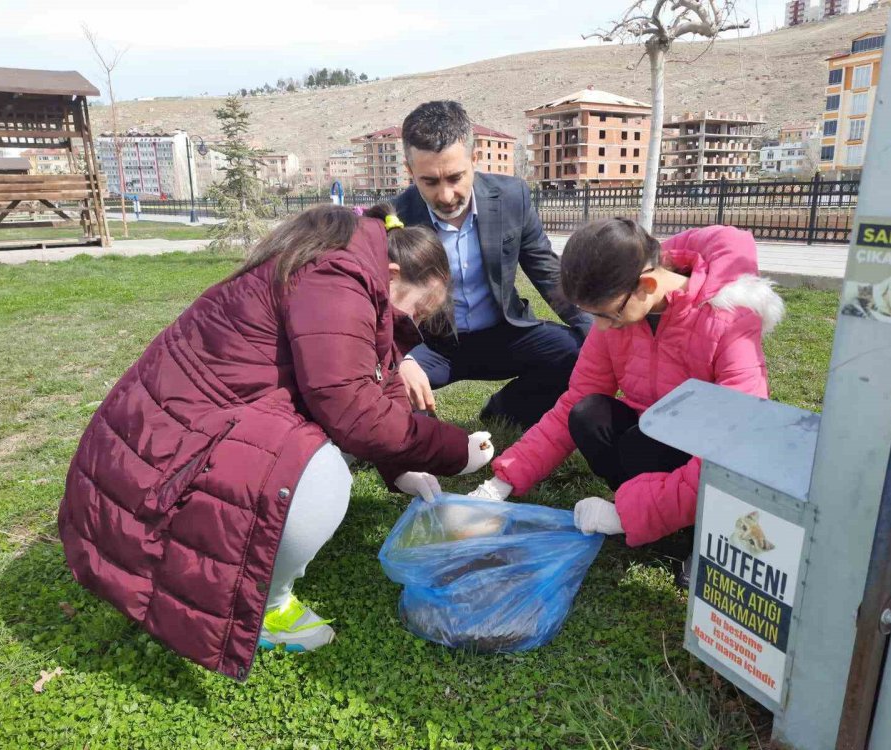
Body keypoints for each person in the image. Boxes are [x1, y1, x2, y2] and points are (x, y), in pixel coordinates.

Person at [57, 203, 495, 680]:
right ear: (391, 275)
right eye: (414, 309)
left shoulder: (345, 264)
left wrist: (400, 467)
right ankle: (267, 605)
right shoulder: (339, 276)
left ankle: (255, 572)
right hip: (162, 461)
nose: (409, 323)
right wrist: (456, 450)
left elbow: (375, 376)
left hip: (166, 438)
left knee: (322, 448)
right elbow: (352, 409)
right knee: (322, 477)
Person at [470, 220, 784, 577]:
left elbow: (732, 448)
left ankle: (693, 530)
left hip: (707, 455)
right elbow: (576, 400)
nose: (601, 328)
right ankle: (646, 510)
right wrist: (502, 481)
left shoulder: (727, 320)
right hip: (652, 438)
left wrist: (625, 513)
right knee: (589, 415)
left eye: (607, 315)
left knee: (649, 447)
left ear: (646, 285)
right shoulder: (618, 318)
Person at [393, 100, 592, 429]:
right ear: (409, 170)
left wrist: (593, 333)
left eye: (456, 177)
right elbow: (374, 305)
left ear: (474, 159)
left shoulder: (513, 197)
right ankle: (422, 427)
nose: (445, 195)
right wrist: (399, 360)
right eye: (429, 181)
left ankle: (504, 411)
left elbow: (545, 270)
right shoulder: (394, 219)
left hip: (505, 333)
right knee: (385, 385)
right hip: (433, 345)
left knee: (575, 352)